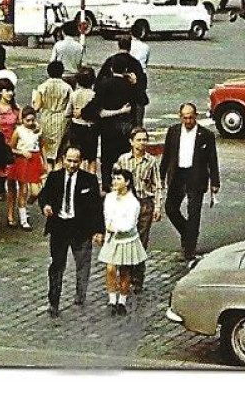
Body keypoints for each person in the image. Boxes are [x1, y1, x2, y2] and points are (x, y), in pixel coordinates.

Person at [41, 147, 103, 318]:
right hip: (59, 227)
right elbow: (44, 195)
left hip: (80, 228)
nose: (72, 164)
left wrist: (98, 230)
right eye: (69, 160)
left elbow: (97, 207)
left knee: (82, 264)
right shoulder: (54, 177)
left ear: (81, 161)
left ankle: (80, 294)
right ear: (63, 159)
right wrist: (45, 205)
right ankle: (54, 301)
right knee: (56, 265)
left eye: (75, 161)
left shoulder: (89, 180)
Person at [160, 102, 220, 260]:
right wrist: (160, 175)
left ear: (196, 117)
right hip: (178, 175)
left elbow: (212, 160)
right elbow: (167, 155)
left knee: (194, 213)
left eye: (190, 118)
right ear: (180, 117)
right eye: (185, 118)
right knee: (171, 208)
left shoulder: (206, 135)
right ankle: (188, 233)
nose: (188, 121)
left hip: (196, 176)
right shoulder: (173, 131)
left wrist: (215, 182)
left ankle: (189, 248)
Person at [113, 126, 160, 288]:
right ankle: (125, 275)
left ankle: (137, 278)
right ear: (131, 142)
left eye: (144, 140)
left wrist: (158, 206)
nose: (142, 143)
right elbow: (116, 182)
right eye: (138, 140)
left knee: (141, 242)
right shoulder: (123, 160)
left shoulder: (151, 161)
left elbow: (157, 185)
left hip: (144, 204)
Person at [99, 166, 146, 315]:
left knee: (125, 270)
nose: (115, 181)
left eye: (119, 179)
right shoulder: (109, 197)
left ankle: (122, 301)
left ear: (127, 182)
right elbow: (107, 216)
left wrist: (116, 228)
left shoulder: (133, 203)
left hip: (127, 239)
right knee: (110, 268)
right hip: (112, 239)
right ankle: (112, 299)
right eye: (114, 178)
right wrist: (107, 230)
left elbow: (130, 224)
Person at [7, 106, 45, 228]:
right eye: (27, 120)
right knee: (23, 190)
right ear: (22, 120)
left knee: (36, 191)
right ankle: (24, 219)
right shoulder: (18, 131)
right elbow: (11, 148)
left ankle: (27, 205)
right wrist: (21, 152)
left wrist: (44, 162)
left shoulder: (37, 130)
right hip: (23, 160)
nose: (30, 123)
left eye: (32, 120)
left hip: (35, 159)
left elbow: (42, 146)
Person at [32, 62, 71, 166]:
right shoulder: (67, 87)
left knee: (47, 152)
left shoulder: (42, 87)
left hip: (47, 117)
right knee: (59, 153)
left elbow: (37, 107)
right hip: (62, 119)